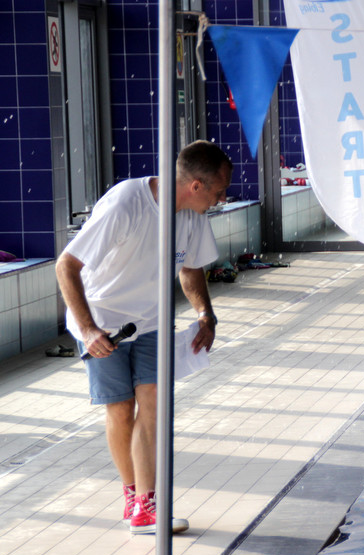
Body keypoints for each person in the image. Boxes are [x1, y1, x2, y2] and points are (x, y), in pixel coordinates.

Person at [56, 140, 232, 534]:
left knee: (152, 404)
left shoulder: (191, 215)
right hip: (103, 321)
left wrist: (205, 314)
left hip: (152, 321)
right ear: (197, 186)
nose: (223, 199)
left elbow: (189, 270)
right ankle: (132, 493)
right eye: (220, 191)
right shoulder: (126, 205)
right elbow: (66, 265)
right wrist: (87, 329)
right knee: (120, 410)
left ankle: (146, 506)